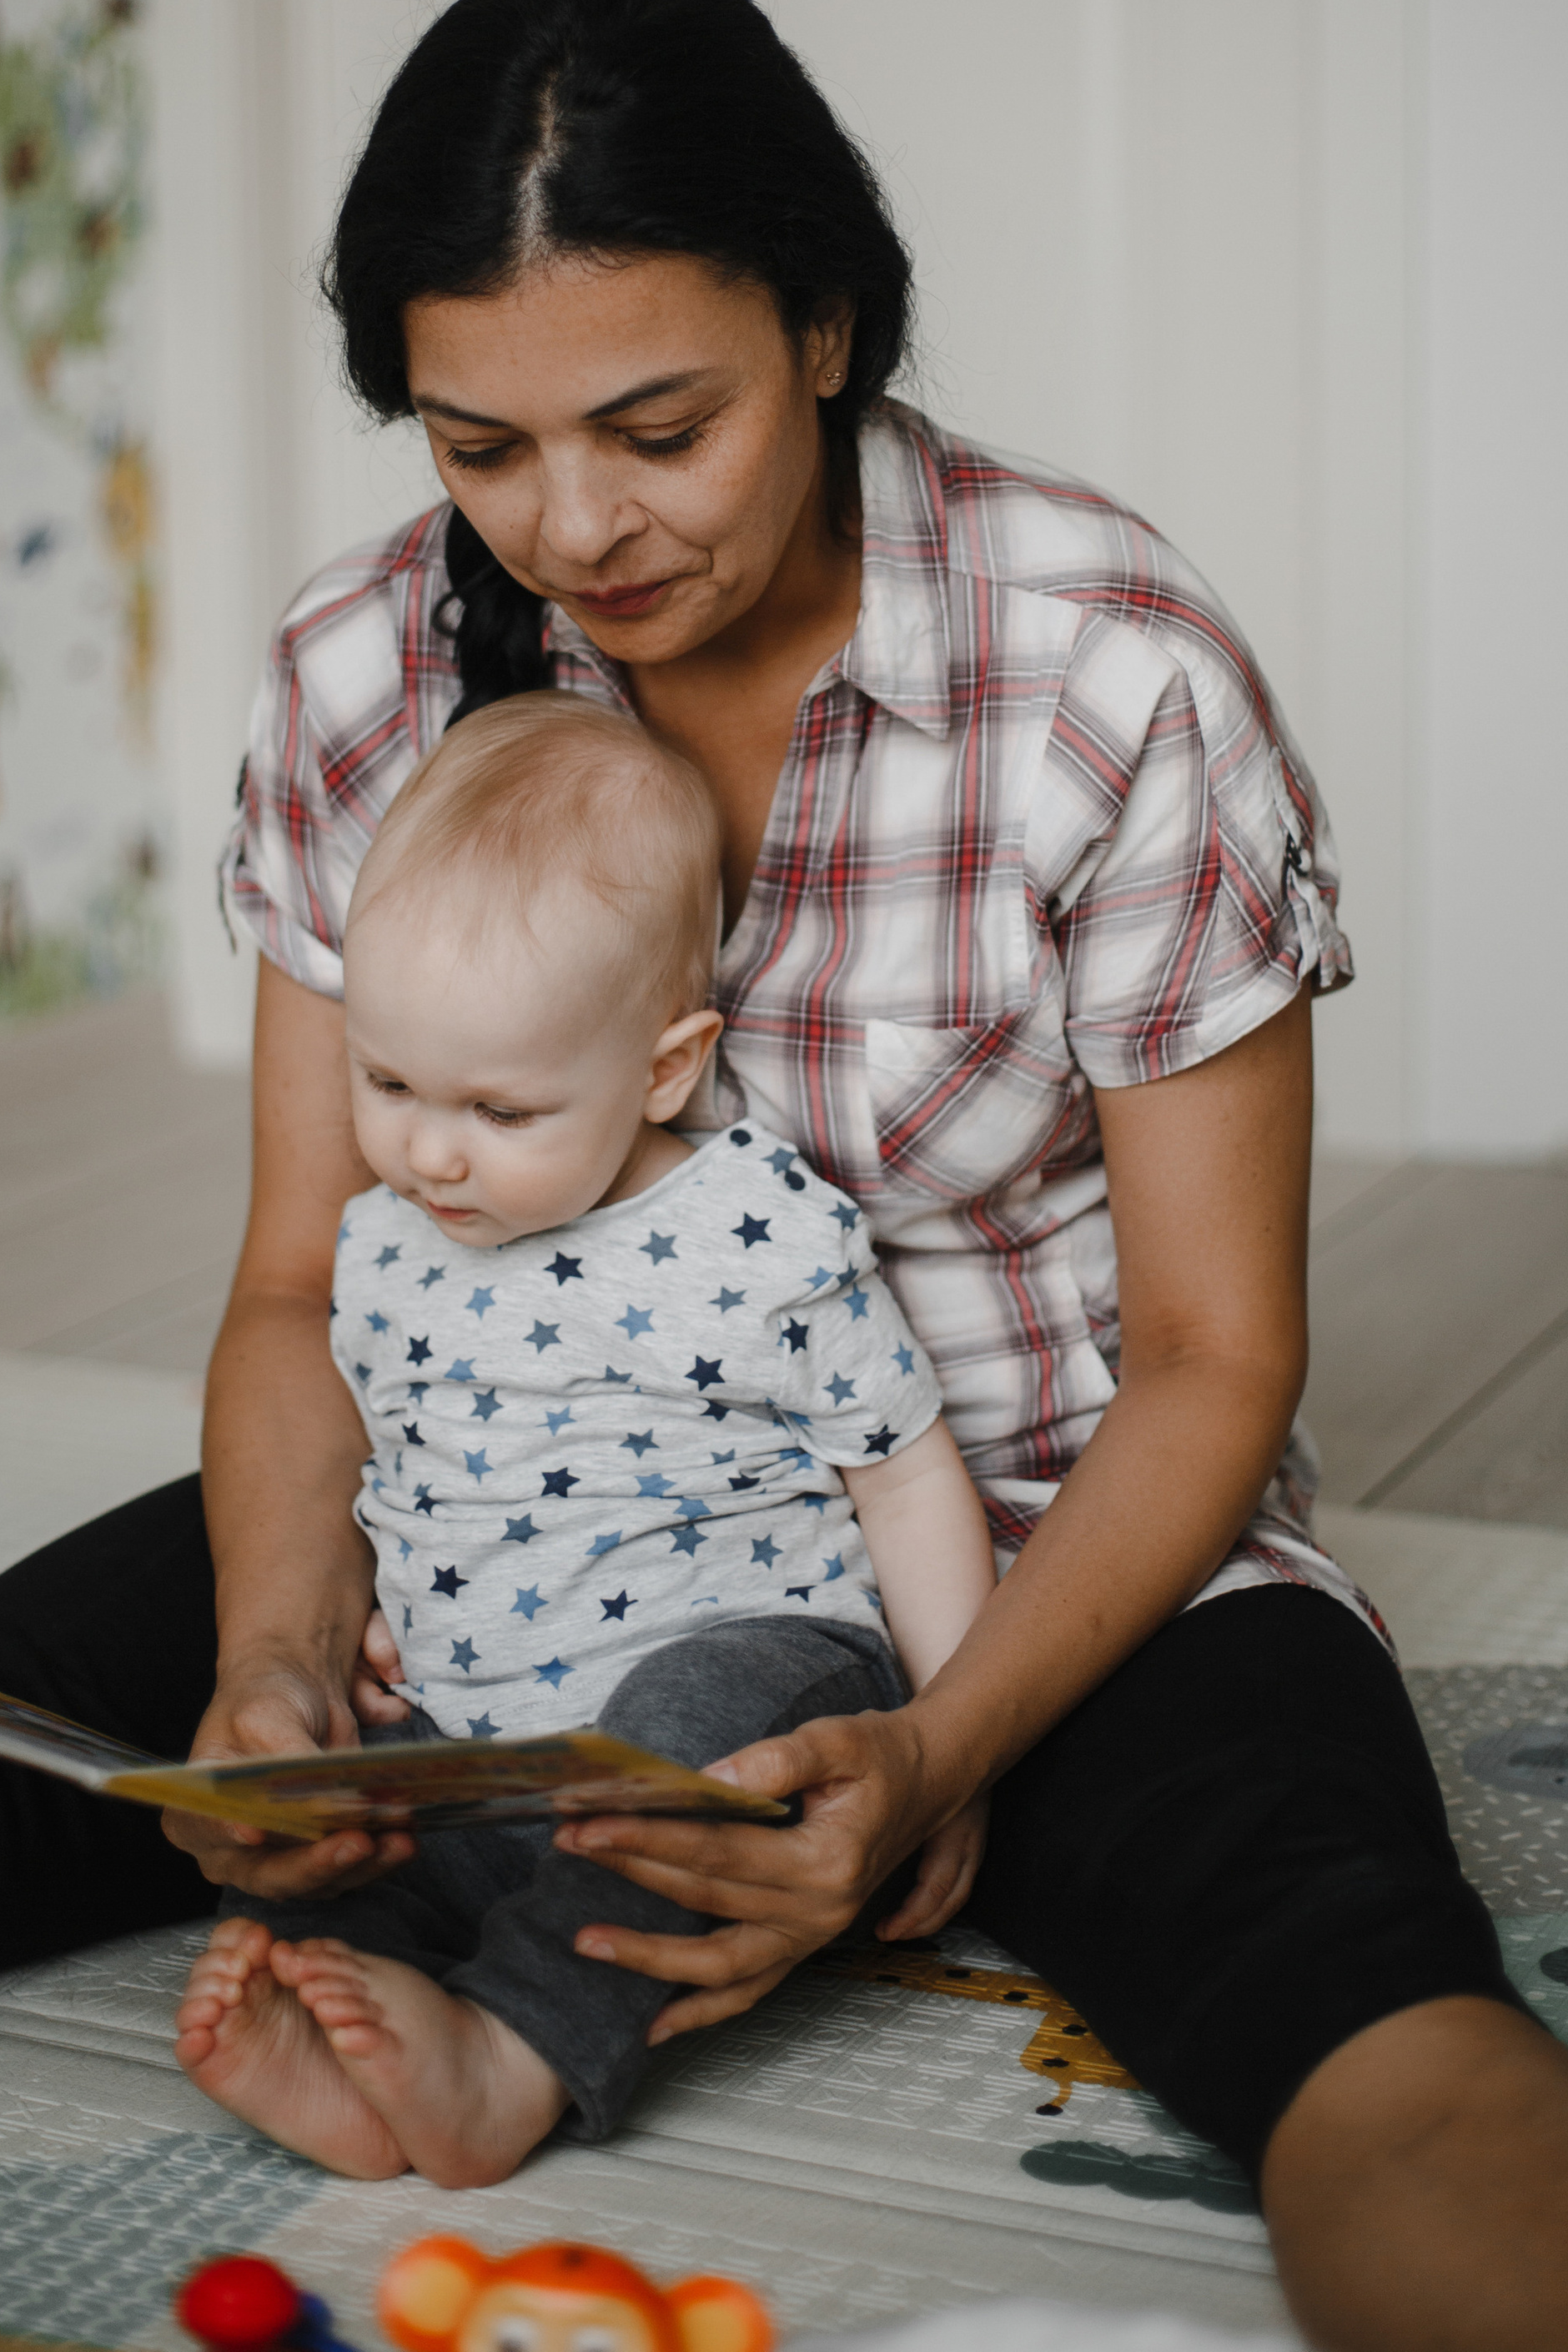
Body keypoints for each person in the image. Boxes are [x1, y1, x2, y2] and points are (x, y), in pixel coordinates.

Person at [0, 0, 1568, 2352]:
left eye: (660, 426)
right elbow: (294, 1281)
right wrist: (274, 1665)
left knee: (1357, 1990)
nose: (576, 527)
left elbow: (1212, 1356)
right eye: (479, 448)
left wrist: (936, 1748)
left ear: (830, 329)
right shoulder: (370, 678)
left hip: (1047, 1540)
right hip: (497, 1495)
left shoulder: (1108, 674)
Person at [174, 691, 993, 2183]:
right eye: (389, 1081)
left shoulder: (750, 1231)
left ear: (664, 1067)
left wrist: (953, 1747)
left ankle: (519, 2057)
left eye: (499, 1106)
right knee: (350, 1805)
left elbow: (907, 1471)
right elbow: (389, 1466)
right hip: (482, 1717)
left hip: (748, 1652)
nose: (429, 1147)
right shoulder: (388, 1242)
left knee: (678, 1752)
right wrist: (361, 1618)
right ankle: (345, 2026)